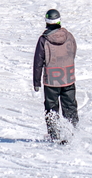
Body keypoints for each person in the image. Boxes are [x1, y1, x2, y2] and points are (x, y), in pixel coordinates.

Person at [32, 9, 78, 143]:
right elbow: (73, 52)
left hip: (52, 80)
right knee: (70, 107)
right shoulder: (69, 36)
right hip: (68, 77)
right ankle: (73, 133)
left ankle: (55, 136)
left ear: (46, 21)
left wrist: (36, 82)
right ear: (59, 20)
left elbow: (38, 62)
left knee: (51, 108)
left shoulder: (43, 40)